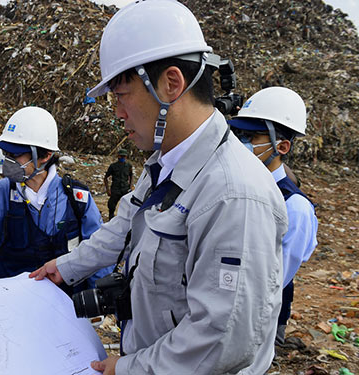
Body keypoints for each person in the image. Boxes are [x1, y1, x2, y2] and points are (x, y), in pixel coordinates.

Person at [30, 1, 288, 374]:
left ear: (170, 84)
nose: (117, 112)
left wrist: (130, 368)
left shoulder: (233, 194)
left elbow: (222, 340)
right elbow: (124, 227)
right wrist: (65, 267)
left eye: (121, 96)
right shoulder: (164, 165)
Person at [0, 106, 111, 290]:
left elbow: (97, 252)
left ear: (44, 155)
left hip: (64, 308)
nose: (8, 161)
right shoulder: (4, 192)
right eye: (7, 154)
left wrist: (99, 295)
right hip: (14, 305)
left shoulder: (77, 199)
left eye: (15, 155)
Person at [228, 87, 318, 346]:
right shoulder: (236, 185)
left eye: (251, 136)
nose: (241, 142)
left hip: (252, 322)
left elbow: (273, 280)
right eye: (238, 133)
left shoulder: (295, 207)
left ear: (282, 146)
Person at [104, 149, 132, 219]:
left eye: (124, 156)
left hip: (125, 189)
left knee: (127, 206)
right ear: (118, 156)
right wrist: (108, 190)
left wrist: (130, 186)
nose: (122, 158)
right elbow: (105, 178)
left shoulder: (128, 166)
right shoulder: (113, 166)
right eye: (121, 156)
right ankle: (111, 220)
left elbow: (131, 176)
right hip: (115, 189)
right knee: (111, 206)